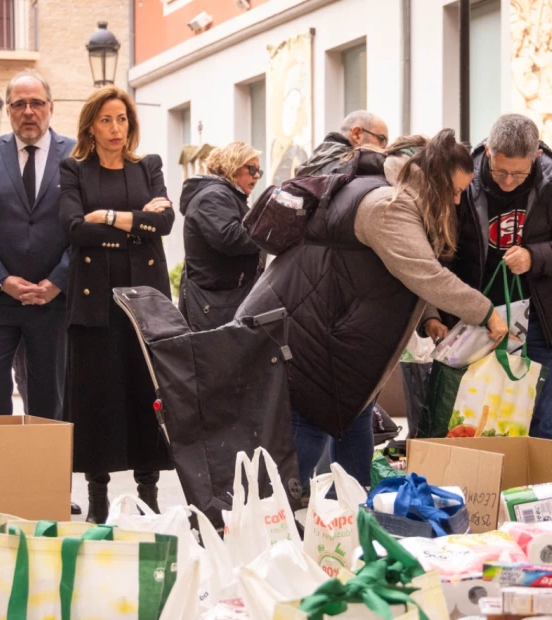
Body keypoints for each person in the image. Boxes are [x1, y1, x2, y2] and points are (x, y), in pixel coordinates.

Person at [238, 130, 508, 489]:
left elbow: (407, 265)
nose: (458, 201)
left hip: (341, 349)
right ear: (433, 179)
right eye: (454, 191)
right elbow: (425, 273)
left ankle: (350, 522)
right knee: (303, 447)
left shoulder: (401, 195)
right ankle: (262, 526)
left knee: (353, 439)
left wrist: (427, 316)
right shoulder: (387, 205)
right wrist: (486, 311)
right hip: (315, 343)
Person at [60, 85, 175, 523]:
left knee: (149, 394)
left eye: (122, 119)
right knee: (96, 398)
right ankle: (98, 498)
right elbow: (72, 228)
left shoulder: (148, 166)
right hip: (94, 303)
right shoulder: (73, 169)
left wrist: (106, 217)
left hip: (144, 298)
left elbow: (163, 222)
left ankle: (149, 495)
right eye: (106, 120)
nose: (115, 129)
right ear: (91, 124)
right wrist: (135, 225)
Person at [0, 69, 74, 422]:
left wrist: (57, 281)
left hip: (52, 301)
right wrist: (2, 279)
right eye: (20, 104)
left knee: (46, 397)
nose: (29, 111)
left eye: (36, 103)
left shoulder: (76, 155)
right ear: (8, 110)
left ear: (50, 107)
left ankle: (43, 472)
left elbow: (83, 229)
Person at [436, 113, 552, 439]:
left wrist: (535, 256)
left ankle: (539, 490)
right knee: (477, 416)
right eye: (500, 170)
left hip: (541, 322)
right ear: (488, 150)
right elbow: (444, 252)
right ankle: (486, 483)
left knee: (543, 419)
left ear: (536, 157)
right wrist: (441, 314)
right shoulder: (464, 180)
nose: (507, 181)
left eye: (518, 173)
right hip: (477, 318)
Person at [178, 141, 264, 331]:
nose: (257, 175)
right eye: (251, 169)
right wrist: (270, 228)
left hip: (222, 301)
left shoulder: (227, 195)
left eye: (259, 171)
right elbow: (229, 237)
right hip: (215, 304)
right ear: (233, 167)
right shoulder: (213, 195)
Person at [296, 110, 389, 178]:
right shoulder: (352, 166)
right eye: (382, 139)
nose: (384, 148)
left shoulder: (319, 160)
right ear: (357, 134)